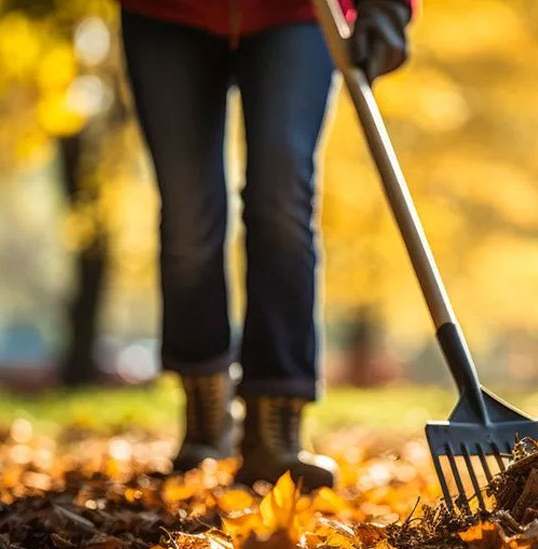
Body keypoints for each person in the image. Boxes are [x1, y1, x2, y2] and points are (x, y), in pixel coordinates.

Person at [118, 0, 413, 490]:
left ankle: (275, 428)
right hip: (168, 13)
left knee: (282, 200)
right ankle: (206, 407)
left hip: (297, 13)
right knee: (190, 214)